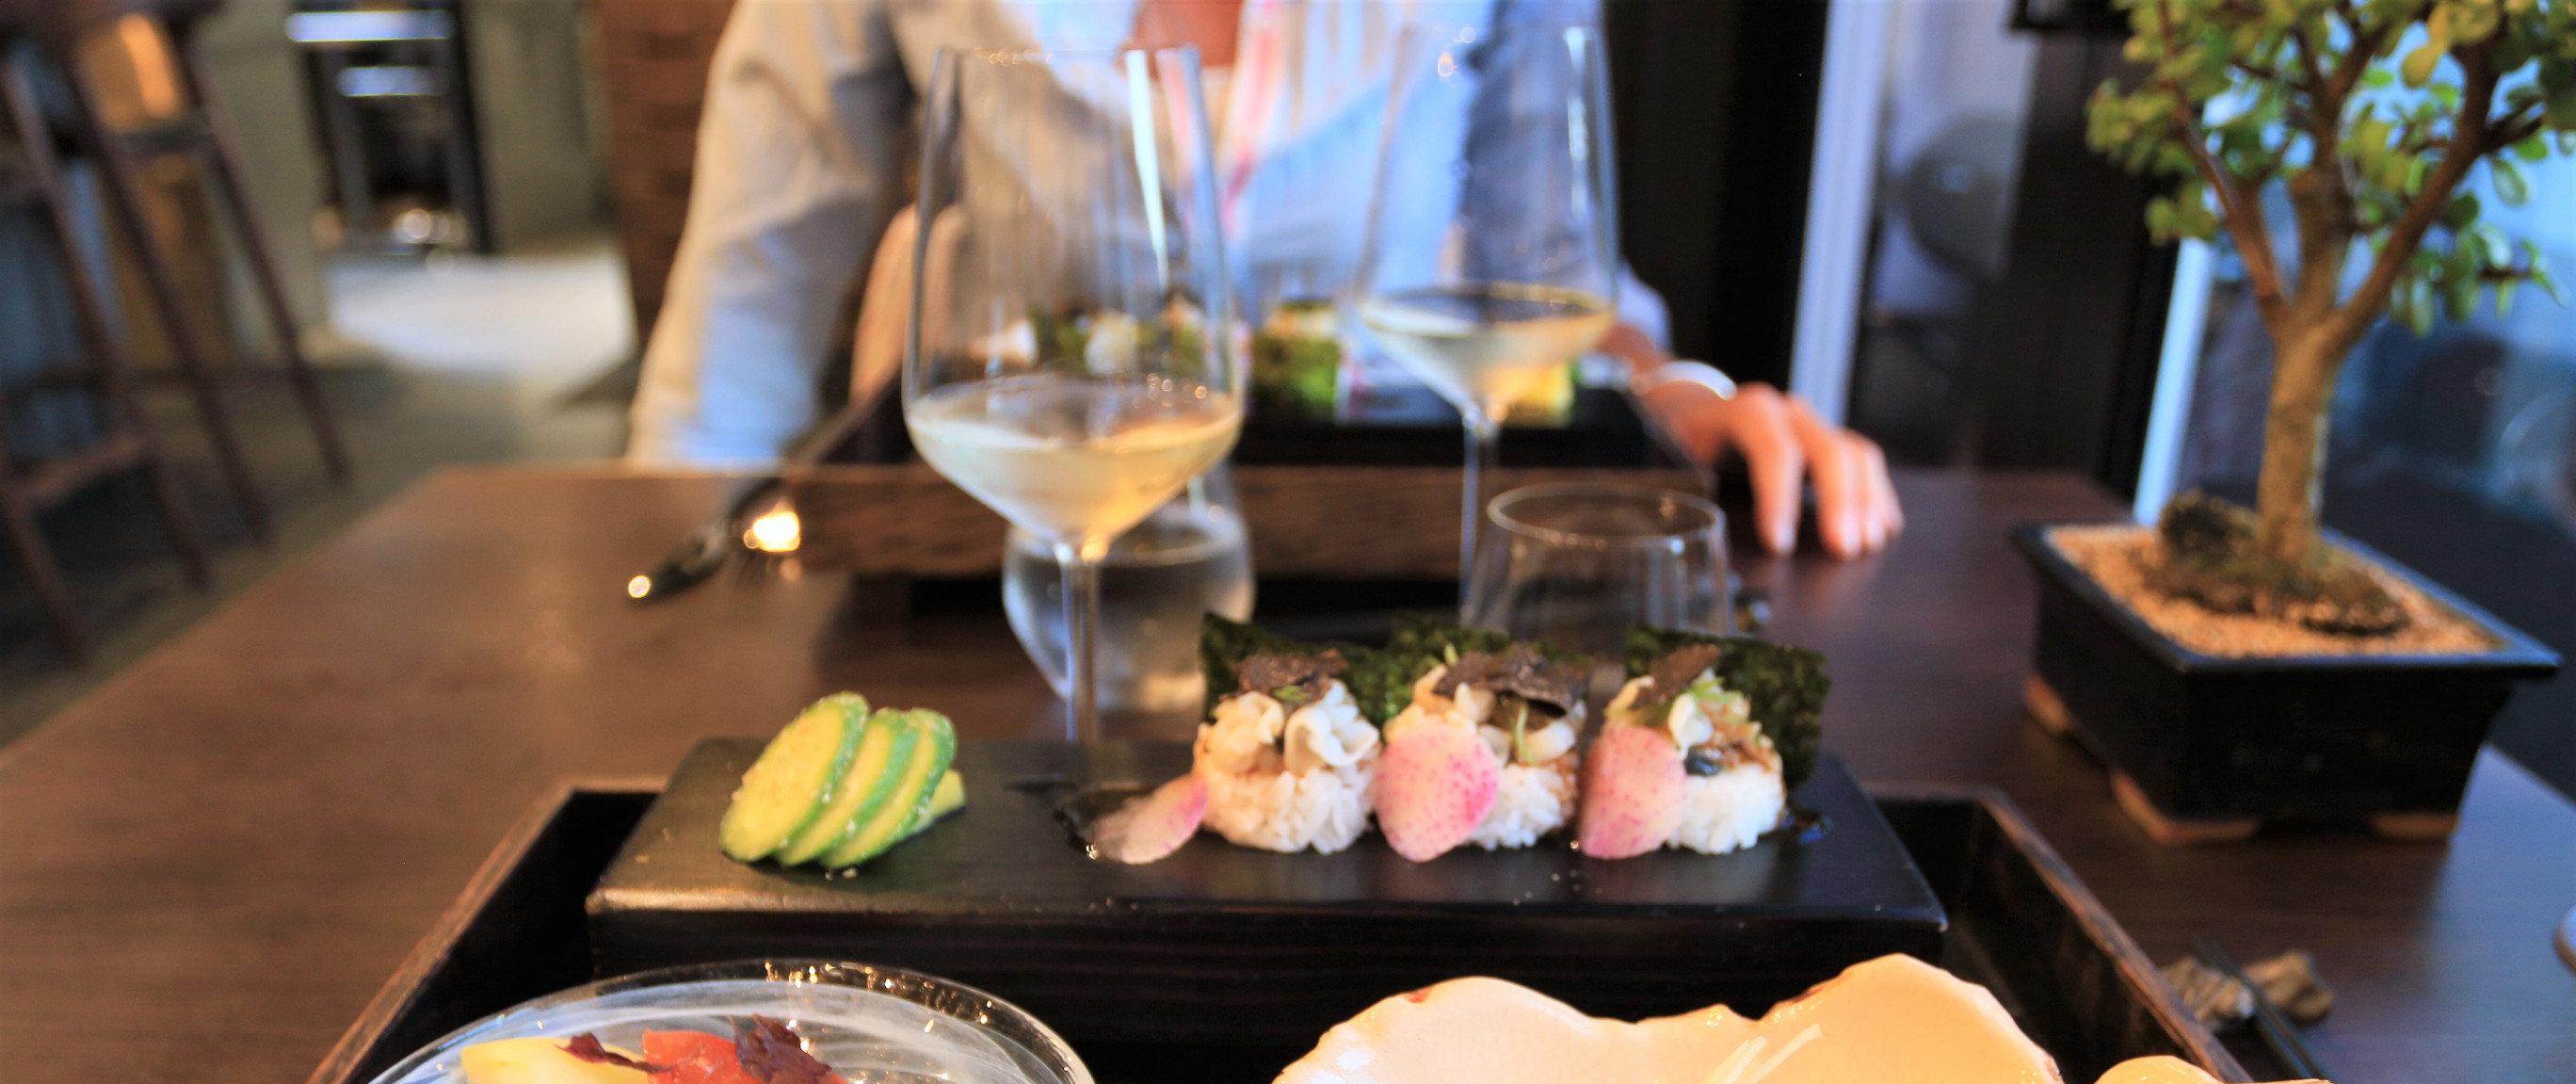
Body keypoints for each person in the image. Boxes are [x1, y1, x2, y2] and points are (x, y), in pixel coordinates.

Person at [630, 0, 1903, 558]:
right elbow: (743, 320)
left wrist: (1688, 404)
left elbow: (1557, 286)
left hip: (1385, 546)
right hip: (1005, 544)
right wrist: (666, 564)